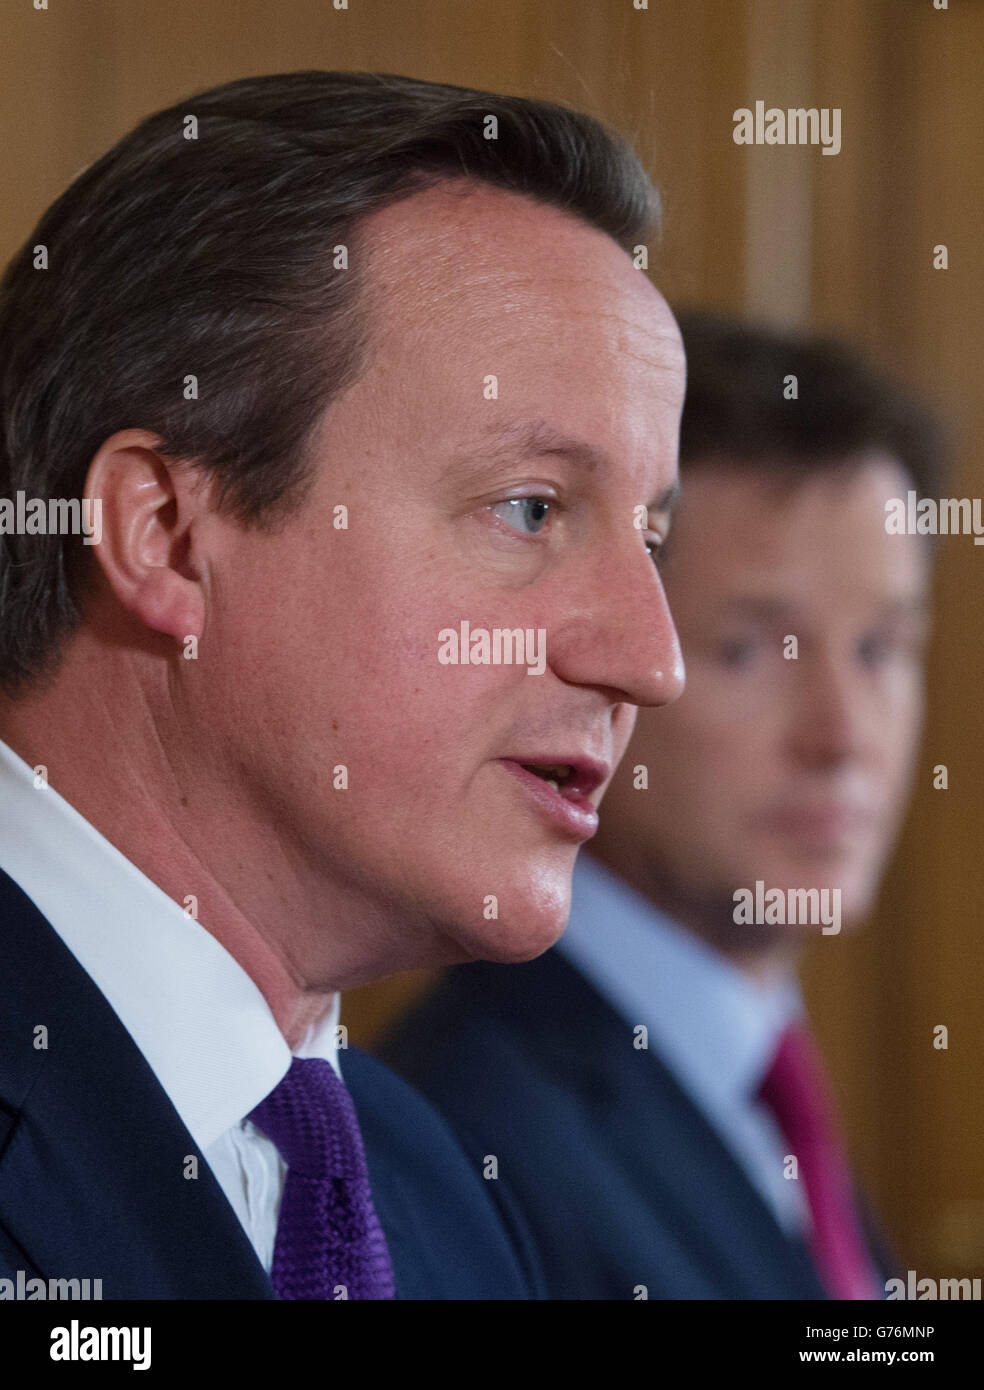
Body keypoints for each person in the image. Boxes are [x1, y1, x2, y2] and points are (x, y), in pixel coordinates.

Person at [0, 71, 687, 1300]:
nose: (651, 659)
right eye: (531, 509)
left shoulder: (433, 1187)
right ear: (160, 533)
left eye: (652, 538)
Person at [380, 312, 942, 1299]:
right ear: (614, 660)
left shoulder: (766, 1078)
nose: (844, 737)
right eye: (748, 649)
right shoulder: (466, 1137)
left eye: (881, 649)